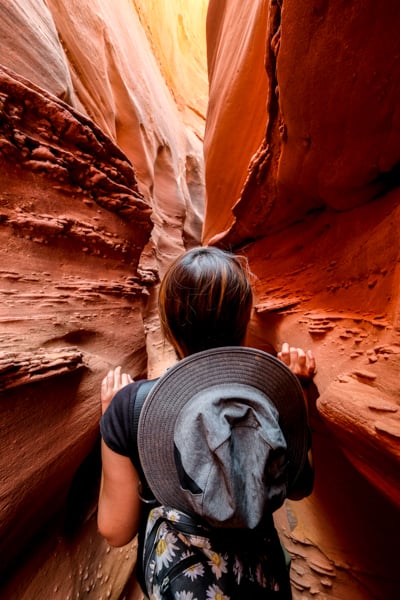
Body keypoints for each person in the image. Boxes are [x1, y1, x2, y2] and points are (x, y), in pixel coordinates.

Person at [98, 246, 315, 599]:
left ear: (168, 325)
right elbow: (299, 486)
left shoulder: (130, 407)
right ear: (245, 317)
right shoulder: (275, 398)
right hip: (261, 583)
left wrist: (112, 420)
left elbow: (115, 530)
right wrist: (298, 396)